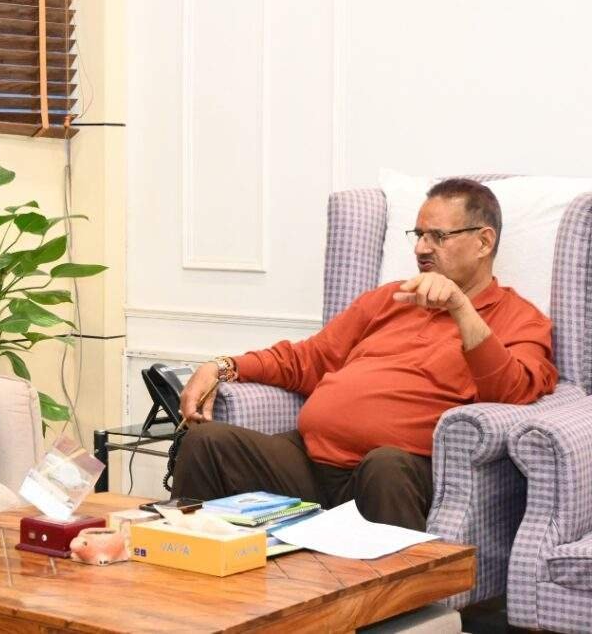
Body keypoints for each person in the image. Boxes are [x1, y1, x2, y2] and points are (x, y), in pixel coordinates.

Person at [171, 179, 558, 530]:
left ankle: (400, 589)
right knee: (206, 444)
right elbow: (309, 359)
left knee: (385, 466)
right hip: (311, 461)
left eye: (438, 236)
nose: (421, 248)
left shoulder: (520, 319)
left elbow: (510, 392)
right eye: (419, 235)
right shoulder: (392, 298)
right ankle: (187, 571)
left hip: (395, 472)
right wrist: (223, 366)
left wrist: (461, 308)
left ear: (484, 242)